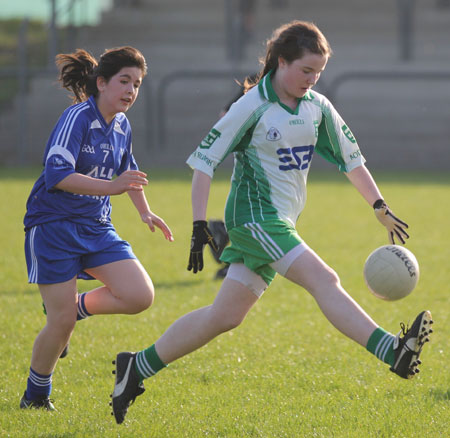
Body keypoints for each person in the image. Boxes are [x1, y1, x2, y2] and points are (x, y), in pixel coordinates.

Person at [109, 21, 433, 424]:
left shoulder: (317, 107)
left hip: (280, 222)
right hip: (254, 219)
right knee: (325, 279)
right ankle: (393, 351)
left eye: (318, 72)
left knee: (223, 316)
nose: (311, 80)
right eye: (305, 70)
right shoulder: (252, 106)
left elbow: (352, 159)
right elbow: (204, 163)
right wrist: (198, 225)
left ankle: (135, 367)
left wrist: (378, 205)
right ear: (281, 62)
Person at [20, 46, 173, 411]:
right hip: (54, 226)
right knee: (60, 325)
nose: (131, 91)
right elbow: (57, 175)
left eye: (136, 84)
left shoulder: (122, 124)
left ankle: (75, 308)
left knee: (140, 295)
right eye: (124, 81)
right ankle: (36, 396)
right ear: (101, 83)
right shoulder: (77, 118)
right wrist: (111, 188)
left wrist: (145, 213)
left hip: (96, 226)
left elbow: (128, 172)